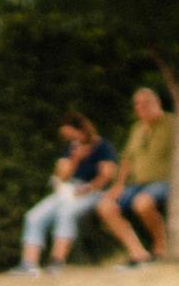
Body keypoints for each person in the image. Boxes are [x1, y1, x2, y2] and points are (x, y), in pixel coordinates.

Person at [14, 115, 112, 272]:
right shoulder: (70, 148)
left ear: (82, 129)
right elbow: (61, 176)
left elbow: (106, 175)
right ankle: (28, 264)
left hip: (93, 192)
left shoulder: (102, 147)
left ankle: (57, 262)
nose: (69, 138)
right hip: (68, 191)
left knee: (66, 213)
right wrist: (75, 159)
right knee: (34, 216)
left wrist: (88, 188)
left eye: (71, 133)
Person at [95, 84, 174, 265]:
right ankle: (138, 253)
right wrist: (118, 186)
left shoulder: (172, 123)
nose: (142, 107)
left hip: (163, 181)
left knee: (142, 203)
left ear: (157, 102)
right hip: (137, 184)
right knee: (105, 206)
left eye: (146, 103)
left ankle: (161, 248)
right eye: (137, 104)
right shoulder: (137, 128)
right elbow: (126, 160)